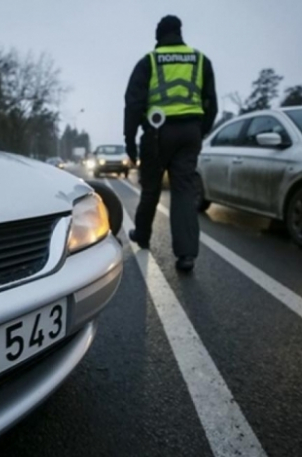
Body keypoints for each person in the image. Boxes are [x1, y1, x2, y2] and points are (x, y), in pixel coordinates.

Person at [124, 14, 218, 272]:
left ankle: (142, 235)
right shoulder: (200, 61)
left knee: (151, 189)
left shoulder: (149, 62)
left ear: (158, 36)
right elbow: (211, 103)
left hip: (157, 134)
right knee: (184, 191)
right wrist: (200, 131)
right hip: (190, 132)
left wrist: (130, 142)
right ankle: (186, 255)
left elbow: (133, 104)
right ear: (179, 33)